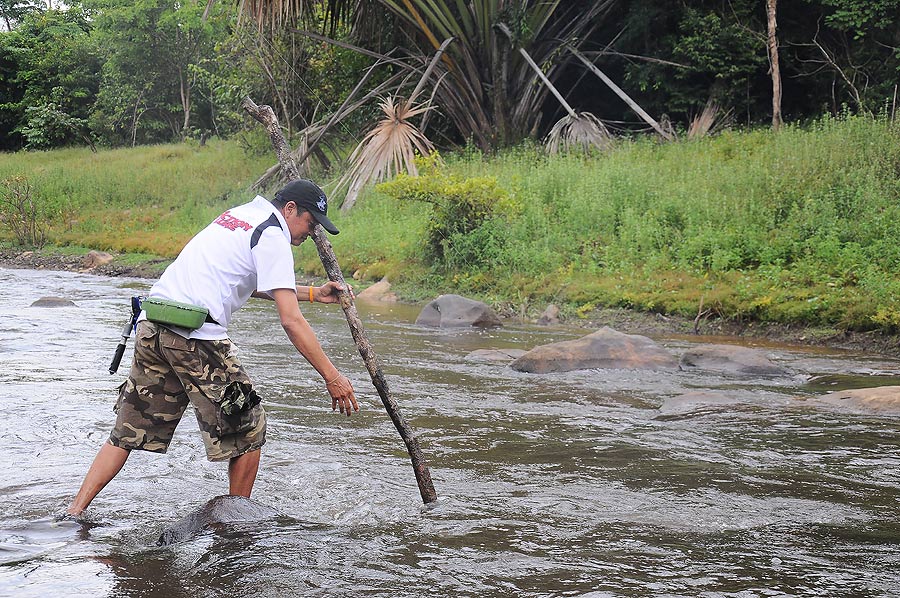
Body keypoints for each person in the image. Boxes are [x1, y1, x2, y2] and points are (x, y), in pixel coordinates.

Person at [66, 179, 358, 517]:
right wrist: (332, 376)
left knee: (128, 428)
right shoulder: (273, 234)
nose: (311, 233)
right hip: (194, 336)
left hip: (153, 324)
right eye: (311, 223)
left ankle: (73, 512)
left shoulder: (240, 216)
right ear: (290, 209)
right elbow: (291, 320)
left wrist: (312, 293)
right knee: (249, 426)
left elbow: (243, 280)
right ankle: (236, 524)